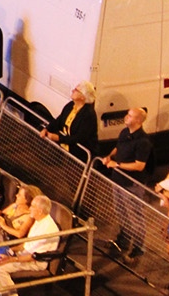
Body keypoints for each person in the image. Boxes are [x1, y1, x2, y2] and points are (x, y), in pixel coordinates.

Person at [0, 194, 60, 296]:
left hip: (36, 262)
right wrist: (10, 250)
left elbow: (35, 257)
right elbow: (27, 244)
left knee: (2, 269)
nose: (30, 209)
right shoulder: (39, 221)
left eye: (32, 206)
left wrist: (12, 259)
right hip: (25, 255)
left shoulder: (48, 229)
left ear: (39, 210)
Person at [101, 106, 153, 259]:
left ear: (138, 120)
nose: (126, 117)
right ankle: (124, 239)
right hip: (118, 180)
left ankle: (139, 246)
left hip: (132, 184)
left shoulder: (143, 141)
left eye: (130, 116)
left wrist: (117, 165)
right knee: (121, 212)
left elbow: (139, 165)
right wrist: (109, 156)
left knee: (135, 216)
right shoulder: (124, 132)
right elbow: (118, 148)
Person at [41, 81, 98, 158]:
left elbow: (80, 137)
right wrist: (47, 129)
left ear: (83, 97)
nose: (72, 91)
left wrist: (58, 138)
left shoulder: (88, 115)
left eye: (76, 90)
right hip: (65, 149)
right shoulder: (70, 105)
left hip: (79, 155)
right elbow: (59, 120)